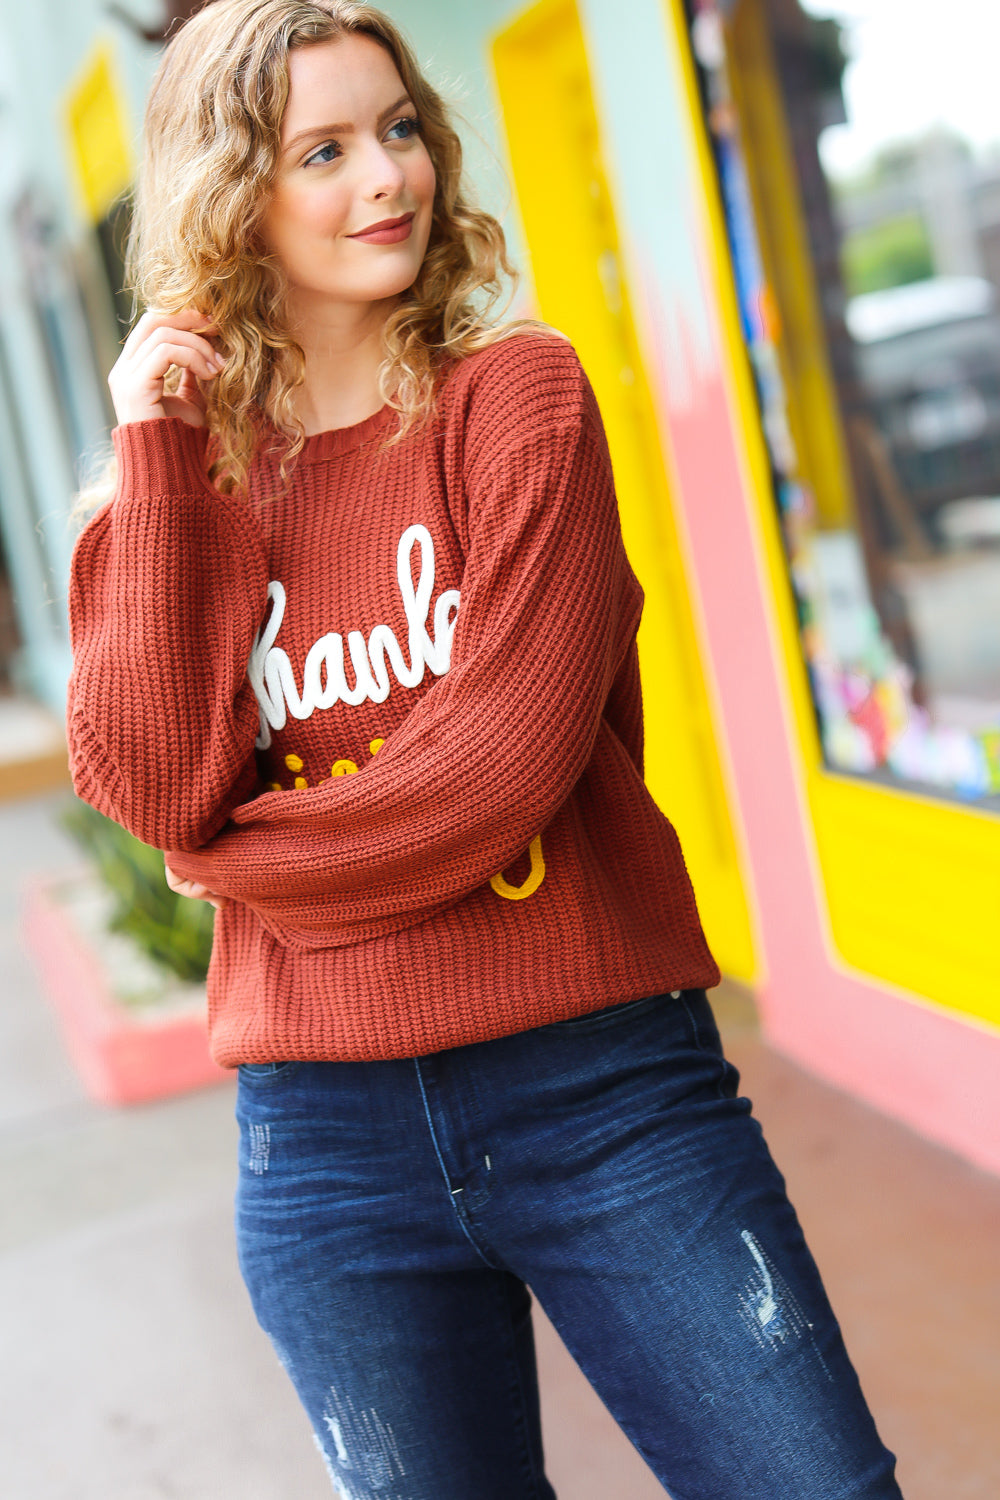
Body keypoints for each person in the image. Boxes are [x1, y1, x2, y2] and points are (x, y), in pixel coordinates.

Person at [67, 2, 905, 1495]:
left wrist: (233, 862)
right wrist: (160, 458)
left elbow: (495, 776)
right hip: (324, 1148)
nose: (388, 176)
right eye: (323, 150)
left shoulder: (517, 402)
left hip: (602, 1091)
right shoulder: (176, 495)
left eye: (398, 129)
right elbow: (150, 786)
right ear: (230, 196)